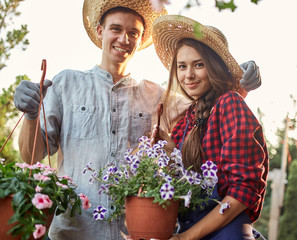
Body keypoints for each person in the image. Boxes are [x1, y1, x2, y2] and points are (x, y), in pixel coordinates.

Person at [13, 1, 262, 239]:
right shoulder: (66, 84)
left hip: (135, 234)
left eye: (133, 32)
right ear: (100, 31)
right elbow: (30, 155)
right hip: (75, 232)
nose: (124, 39)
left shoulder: (157, 96)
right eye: (116, 29)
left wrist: (238, 84)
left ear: (141, 39)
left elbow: (210, 106)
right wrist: (32, 115)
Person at [151, 15, 269, 240]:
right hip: (190, 230)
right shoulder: (185, 122)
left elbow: (242, 193)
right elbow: (179, 187)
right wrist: (166, 154)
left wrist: (186, 237)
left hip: (226, 232)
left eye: (199, 65)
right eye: (182, 66)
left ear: (214, 67)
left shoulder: (229, 103)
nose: (189, 75)